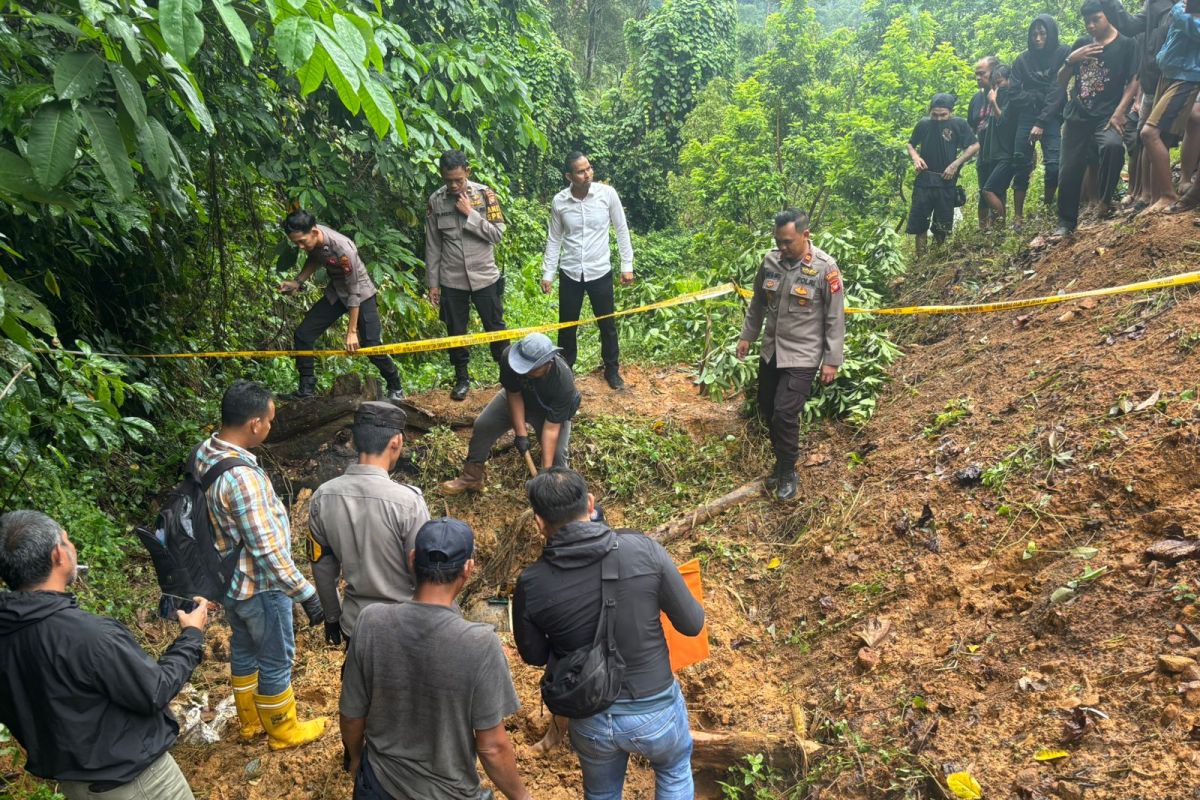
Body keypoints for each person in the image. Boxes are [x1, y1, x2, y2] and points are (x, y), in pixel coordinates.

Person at [512, 469, 705, 800]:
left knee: (601, 794)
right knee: (673, 771)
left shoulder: (531, 583)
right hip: (656, 708)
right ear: (590, 504)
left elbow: (533, 655)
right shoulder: (644, 550)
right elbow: (691, 623)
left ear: (539, 522)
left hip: (590, 716)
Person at [0, 511, 208, 800]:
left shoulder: (8, 632)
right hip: (136, 783)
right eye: (68, 541)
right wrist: (191, 636)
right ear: (58, 555)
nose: (72, 548)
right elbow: (155, 690)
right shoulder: (89, 636)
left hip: (75, 786)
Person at [340, 517, 533, 800]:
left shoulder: (370, 622)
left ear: (412, 559)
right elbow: (492, 747)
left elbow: (351, 714)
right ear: (468, 568)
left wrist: (357, 760)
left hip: (380, 784)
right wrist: (522, 797)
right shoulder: (480, 644)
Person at [193, 379, 329, 750]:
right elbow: (267, 550)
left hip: (230, 580)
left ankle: (250, 722)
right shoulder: (242, 479)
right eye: (269, 420)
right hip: (261, 586)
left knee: (244, 649)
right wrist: (306, 593)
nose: (270, 426)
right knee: (275, 658)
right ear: (254, 424)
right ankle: (283, 731)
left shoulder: (207, 451)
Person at [736, 209, 846, 502]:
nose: (782, 248)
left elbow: (835, 317)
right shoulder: (771, 261)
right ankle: (781, 463)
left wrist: (831, 360)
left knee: (785, 413)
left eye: (787, 242)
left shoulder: (825, 268)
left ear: (805, 235)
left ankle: (788, 472)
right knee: (768, 408)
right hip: (771, 351)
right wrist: (747, 336)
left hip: (803, 355)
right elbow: (758, 303)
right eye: (778, 242)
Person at [308, 401, 430, 646]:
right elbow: (423, 572)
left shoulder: (323, 496)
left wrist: (332, 617)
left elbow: (322, 568)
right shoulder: (408, 502)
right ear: (396, 441)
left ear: (353, 441)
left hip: (356, 627)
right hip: (404, 630)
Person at [279, 209, 404, 402]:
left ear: (314, 231)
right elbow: (315, 258)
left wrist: (352, 331)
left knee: (371, 346)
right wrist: (298, 281)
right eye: (296, 243)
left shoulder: (343, 249)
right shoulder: (313, 243)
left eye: (302, 241)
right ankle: (307, 389)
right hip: (336, 292)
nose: (300, 247)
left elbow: (354, 292)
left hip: (361, 294)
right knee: (303, 334)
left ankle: (395, 385)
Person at [441, 332, 581, 495]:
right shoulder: (509, 358)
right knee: (484, 424)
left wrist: (545, 472)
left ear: (547, 363)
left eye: (532, 369)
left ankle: (554, 493)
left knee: (557, 454)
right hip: (521, 397)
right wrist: (521, 435)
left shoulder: (563, 382)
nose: (525, 372)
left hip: (548, 412)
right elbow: (513, 395)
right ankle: (471, 477)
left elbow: (551, 430)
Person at [541, 152, 635, 390]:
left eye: (589, 168)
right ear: (569, 176)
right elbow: (554, 239)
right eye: (581, 171)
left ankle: (612, 370)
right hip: (570, 271)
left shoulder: (607, 194)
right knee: (567, 325)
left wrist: (627, 266)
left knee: (607, 324)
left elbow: (621, 229)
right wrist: (548, 273)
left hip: (600, 270)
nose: (588, 174)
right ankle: (564, 372)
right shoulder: (560, 202)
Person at [425, 150, 508, 401]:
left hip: (485, 277)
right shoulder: (436, 201)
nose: (453, 185)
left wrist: (470, 214)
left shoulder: (486, 195)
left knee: (496, 328)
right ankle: (462, 378)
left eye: (458, 180)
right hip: (452, 280)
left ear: (468, 172)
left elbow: (498, 234)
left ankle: (509, 376)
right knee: (455, 332)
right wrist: (433, 284)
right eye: (448, 180)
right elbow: (432, 244)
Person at [1055, 0, 1141, 236]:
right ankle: (1066, 223)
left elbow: (1135, 79)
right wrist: (1070, 60)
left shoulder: (1126, 44)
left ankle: (1105, 200)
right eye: (1087, 21)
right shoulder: (1081, 45)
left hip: (1107, 115)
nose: (1091, 25)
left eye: (1096, 19)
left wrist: (1120, 111)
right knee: (1069, 169)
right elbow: (1061, 82)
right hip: (1077, 115)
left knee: (1113, 148)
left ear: (1109, 16)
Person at [1100, 0, 1175, 209]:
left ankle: (1167, 193)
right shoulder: (1153, 5)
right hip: (1152, 81)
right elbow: (1130, 25)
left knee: (1159, 135)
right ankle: (1148, 197)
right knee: (1146, 137)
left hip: (1181, 78)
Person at [1142, 0, 1200, 213]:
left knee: (1149, 133)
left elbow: (1196, 29)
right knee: (1160, 137)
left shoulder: (1180, 9)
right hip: (1168, 74)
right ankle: (1156, 199)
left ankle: (1168, 194)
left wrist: (1179, 12)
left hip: (1186, 77)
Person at [904, 93, 979, 257]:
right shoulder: (924, 124)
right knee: (919, 225)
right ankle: (920, 261)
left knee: (942, 226)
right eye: (935, 115)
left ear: (951, 112)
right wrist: (916, 157)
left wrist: (956, 164)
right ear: (929, 110)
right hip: (924, 180)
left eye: (943, 115)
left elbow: (974, 146)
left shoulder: (958, 124)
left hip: (946, 181)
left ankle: (937, 259)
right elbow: (910, 144)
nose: (938, 119)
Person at [1011, 15, 1071, 217]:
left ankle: (1046, 207)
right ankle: (1018, 216)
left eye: (1042, 33)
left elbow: (1058, 89)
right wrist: (1035, 97)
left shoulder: (1062, 52)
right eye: (1034, 34)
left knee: (1054, 164)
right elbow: (1013, 93)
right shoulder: (1022, 60)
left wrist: (1042, 121)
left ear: (1050, 34)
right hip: (1026, 116)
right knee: (1021, 163)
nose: (1037, 38)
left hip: (1052, 116)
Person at [980, 66, 1022, 226]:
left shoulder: (1011, 99)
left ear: (1009, 80)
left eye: (999, 82)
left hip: (1006, 154)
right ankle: (999, 231)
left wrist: (992, 102)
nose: (996, 88)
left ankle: (1002, 226)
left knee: (988, 190)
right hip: (995, 154)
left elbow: (1004, 121)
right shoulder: (999, 97)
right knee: (996, 191)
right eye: (994, 85)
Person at [968, 56, 1003, 227]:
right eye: (976, 74)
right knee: (983, 191)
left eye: (982, 74)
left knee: (995, 190)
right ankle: (983, 230)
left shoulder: (1004, 93)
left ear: (993, 72)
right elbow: (971, 126)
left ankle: (999, 228)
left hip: (1000, 150)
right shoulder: (976, 99)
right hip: (983, 152)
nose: (978, 78)